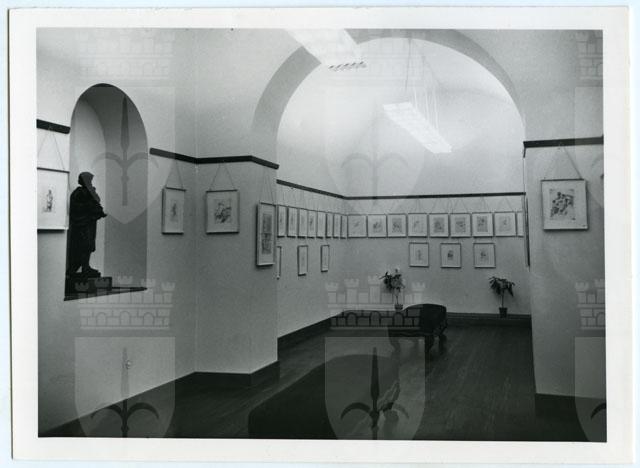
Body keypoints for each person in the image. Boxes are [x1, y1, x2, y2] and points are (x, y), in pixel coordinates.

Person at [66, 172, 107, 277]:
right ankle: (76, 267)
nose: (90, 182)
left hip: (89, 223)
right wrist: (88, 206)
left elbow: (97, 200)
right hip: (81, 224)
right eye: (88, 180)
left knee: (89, 245)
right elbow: (75, 207)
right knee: (82, 245)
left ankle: (86, 266)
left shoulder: (90, 190)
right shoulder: (78, 192)